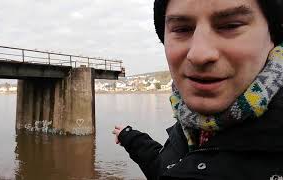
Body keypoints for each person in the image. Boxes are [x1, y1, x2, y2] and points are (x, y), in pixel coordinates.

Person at [112, 0, 283, 179]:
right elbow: (168, 168)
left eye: (231, 25)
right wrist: (129, 137)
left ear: (273, 35)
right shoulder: (190, 125)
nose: (198, 54)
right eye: (182, 29)